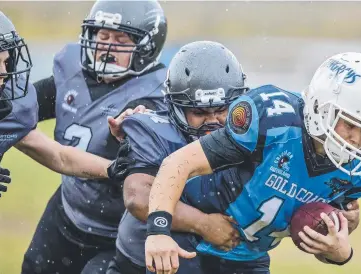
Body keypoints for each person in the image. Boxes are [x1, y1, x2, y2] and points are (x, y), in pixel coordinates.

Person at [143, 52, 361, 273]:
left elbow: (316, 229)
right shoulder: (274, 121)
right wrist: (158, 231)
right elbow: (178, 163)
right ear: (321, 106)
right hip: (189, 243)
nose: (357, 140)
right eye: (351, 124)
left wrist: (340, 252)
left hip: (249, 259)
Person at [21, 1, 169, 273]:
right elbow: (18, 112)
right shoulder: (72, 72)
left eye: (120, 39)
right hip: (67, 211)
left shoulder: (153, 95)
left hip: (118, 231)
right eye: (102, 36)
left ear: (146, 47)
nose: (107, 46)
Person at [104, 40, 274, 274]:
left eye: (222, 110)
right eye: (199, 112)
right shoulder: (154, 129)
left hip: (236, 259)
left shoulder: (260, 131)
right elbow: (139, 197)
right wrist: (203, 224)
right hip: (151, 258)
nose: (213, 120)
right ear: (176, 107)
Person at [0, 5, 117, 199]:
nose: (4, 72)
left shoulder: (6, 106)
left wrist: (110, 168)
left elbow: (59, 156)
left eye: (6, 62)